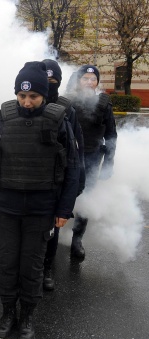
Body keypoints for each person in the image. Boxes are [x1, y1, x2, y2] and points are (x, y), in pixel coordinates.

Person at [0, 61, 80, 339]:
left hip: (41, 208)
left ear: (44, 95)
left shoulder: (59, 121)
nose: (27, 102)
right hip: (5, 206)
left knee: (31, 266)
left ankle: (27, 316)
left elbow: (72, 168)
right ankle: (8, 312)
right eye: (22, 96)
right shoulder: (3, 117)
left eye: (33, 96)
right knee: (8, 263)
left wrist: (63, 209)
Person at [41, 59, 86, 290]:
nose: (49, 85)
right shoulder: (29, 103)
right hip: (32, 177)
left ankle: (47, 269)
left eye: (53, 81)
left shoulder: (67, 108)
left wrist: (79, 178)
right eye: (45, 80)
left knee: (52, 228)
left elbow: (77, 145)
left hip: (56, 178)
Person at [65, 64, 117, 260]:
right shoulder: (68, 102)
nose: (89, 82)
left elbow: (111, 135)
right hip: (69, 157)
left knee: (85, 201)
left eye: (92, 79)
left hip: (92, 158)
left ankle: (77, 240)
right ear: (78, 80)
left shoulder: (103, 104)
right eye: (85, 78)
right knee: (63, 196)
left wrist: (109, 164)